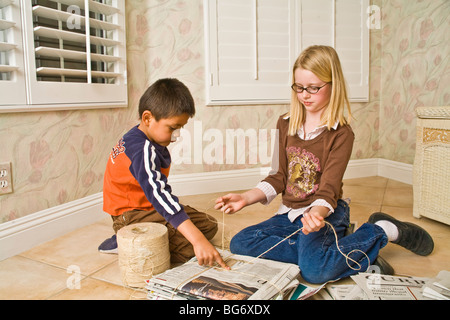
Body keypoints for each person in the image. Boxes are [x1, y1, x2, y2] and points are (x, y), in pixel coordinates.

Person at [215, 45, 434, 284]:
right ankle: (339, 251)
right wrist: (246, 198)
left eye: (313, 88)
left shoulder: (341, 134)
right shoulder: (285, 123)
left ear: (333, 85)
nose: (304, 95)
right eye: (299, 87)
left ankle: (381, 230)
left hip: (324, 213)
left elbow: (328, 190)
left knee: (315, 272)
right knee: (240, 243)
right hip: (288, 215)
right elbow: (278, 175)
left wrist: (315, 215)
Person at [99, 78, 228, 269]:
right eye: (173, 128)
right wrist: (197, 240)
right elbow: (159, 194)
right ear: (148, 118)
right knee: (191, 247)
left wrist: (195, 233)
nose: (176, 135)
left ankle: (147, 235)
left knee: (208, 225)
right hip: (130, 214)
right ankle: (128, 239)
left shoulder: (149, 139)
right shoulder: (142, 149)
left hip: (147, 207)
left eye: (180, 128)